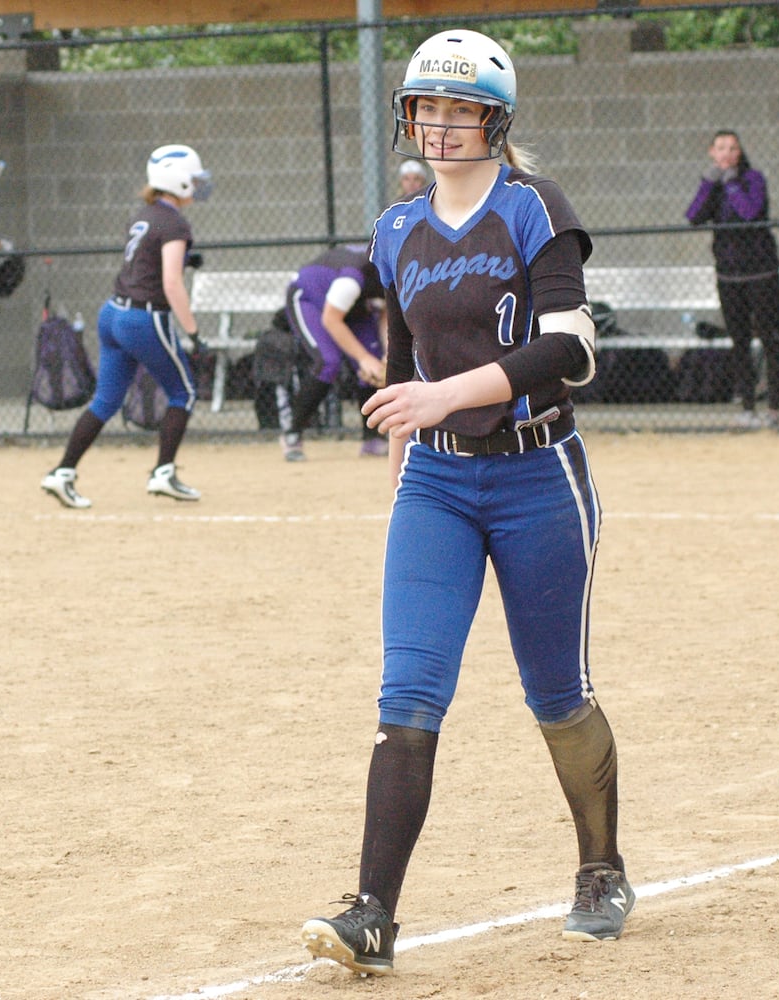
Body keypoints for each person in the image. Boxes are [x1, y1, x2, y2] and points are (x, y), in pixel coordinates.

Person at [300, 29, 632, 976]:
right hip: (438, 484)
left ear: (495, 119)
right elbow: (407, 362)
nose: (440, 127)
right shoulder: (394, 229)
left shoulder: (533, 207)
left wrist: (451, 394)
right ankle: (373, 915)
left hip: (537, 475)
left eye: (461, 110)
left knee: (555, 692)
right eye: (426, 109)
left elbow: (571, 345)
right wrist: (407, 441)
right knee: (407, 691)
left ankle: (600, 870)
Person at [40, 144, 212, 508]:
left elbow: (145, 260)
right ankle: (163, 472)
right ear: (177, 181)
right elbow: (170, 283)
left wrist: (184, 258)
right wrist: (194, 333)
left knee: (106, 399)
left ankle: (63, 472)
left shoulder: (145, 214)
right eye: (192, 180)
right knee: (184, 392)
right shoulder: (175, 222)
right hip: (144, 318)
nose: (196, 186)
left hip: (113, 313)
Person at [685, 130, 779, 429]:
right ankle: (747, 407)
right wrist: (708, 184)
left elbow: (748, 212)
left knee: (769, 337)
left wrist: (730, 182)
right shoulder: (713, 185)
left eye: (732, 148)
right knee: (739, 340)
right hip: (729, 275)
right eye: (720, 148)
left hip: (761, 273)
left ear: (739, 152)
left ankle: (775, 407)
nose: (726, 153)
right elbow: (693, 216)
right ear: (711, 152)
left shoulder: (752, 179)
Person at [278, 245, 388, 461]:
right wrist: (363, 358)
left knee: (375, 365)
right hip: (311, 299)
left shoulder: (395, 273)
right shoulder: (354, 276)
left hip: (354, 307)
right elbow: (331, 319)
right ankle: (292, 433)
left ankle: (372, 439)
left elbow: (387, 315)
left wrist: (386, 355)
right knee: (328, 362)